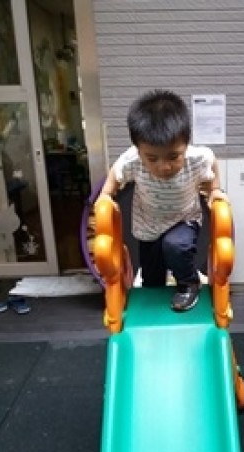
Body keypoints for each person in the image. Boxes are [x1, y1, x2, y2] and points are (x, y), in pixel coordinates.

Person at [98, 89, 228, 311]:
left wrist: (215, 189)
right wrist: (106, 195)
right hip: (148, 225)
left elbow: (211, 161)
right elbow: (115, 173)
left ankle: (188, 284)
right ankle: (153, 296)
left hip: (184, 218)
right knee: (152, 278)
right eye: (152, 158)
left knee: (176, 245)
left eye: (173, 156)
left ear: (186, 144)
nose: (164, 166)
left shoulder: (196, 158)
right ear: (139, 150)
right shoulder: (131, 161)